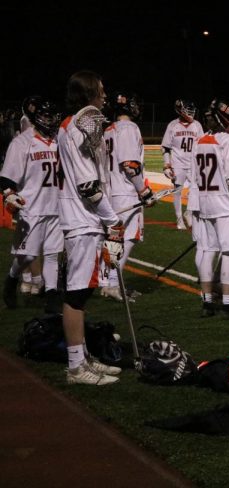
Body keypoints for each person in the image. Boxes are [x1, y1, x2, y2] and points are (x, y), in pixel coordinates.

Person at [56, 70, 122, 385]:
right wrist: (113, 220)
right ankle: (75, 367)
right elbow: (89, 187)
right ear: (89, 92)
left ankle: (82, 359)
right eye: (101, 90)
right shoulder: (75, 129)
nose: (105, 96)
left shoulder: (72, 127)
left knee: (84, 290)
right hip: (83, 219)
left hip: (83, 218)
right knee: (77, 294)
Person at [191, 99, 229, 319]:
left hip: (205, 202)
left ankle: (207, 302)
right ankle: (228, 304)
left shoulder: (200, 140)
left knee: (208, 251)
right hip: (225, 203)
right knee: (228, 253)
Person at [2, 97, 63, 313]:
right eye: (47, 115)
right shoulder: (22, 141)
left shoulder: (59, 139)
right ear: (37, 117)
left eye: (54, 115)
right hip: (32, 206)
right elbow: (8, 177)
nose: (52, 120)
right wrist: (9, 194)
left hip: (56, 206)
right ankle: (11, 280)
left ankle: (52, 296)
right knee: (27, 255)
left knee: (53, 253)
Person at [99, 92, 154, 301]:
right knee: (128, 238)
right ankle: (114, 282)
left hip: (111, 191)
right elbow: (130, 165)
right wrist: (143, 190)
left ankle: (107, 283)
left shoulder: (109, 129)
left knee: (112, 238)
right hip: (126, 191)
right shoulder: (130, 128)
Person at [161, 99, 203, 230]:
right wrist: (167, 164)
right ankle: (179, 219)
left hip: (193, 164)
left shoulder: (197, 125)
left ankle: (188, 213)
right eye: (187, 110)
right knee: (178, 191)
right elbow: (166, 147)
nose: (191, 113)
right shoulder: (173, 125)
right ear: (180, 110)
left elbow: (202, 145)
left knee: (196, 191)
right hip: (178, 164)